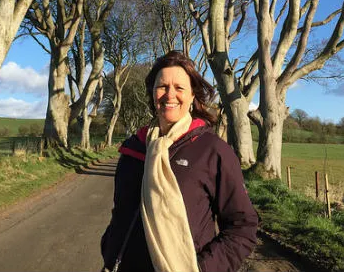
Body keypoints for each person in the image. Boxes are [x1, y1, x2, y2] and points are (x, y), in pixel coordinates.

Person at [101, 50, 258, 272]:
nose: (169, 95)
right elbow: (121, 211)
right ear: (152, 92)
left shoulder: (213, 151)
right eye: (162, 86)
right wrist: (110, 247)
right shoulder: (133, 149)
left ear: (193, 95)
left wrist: (202, 268)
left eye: (179, 88)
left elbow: (242, 226)